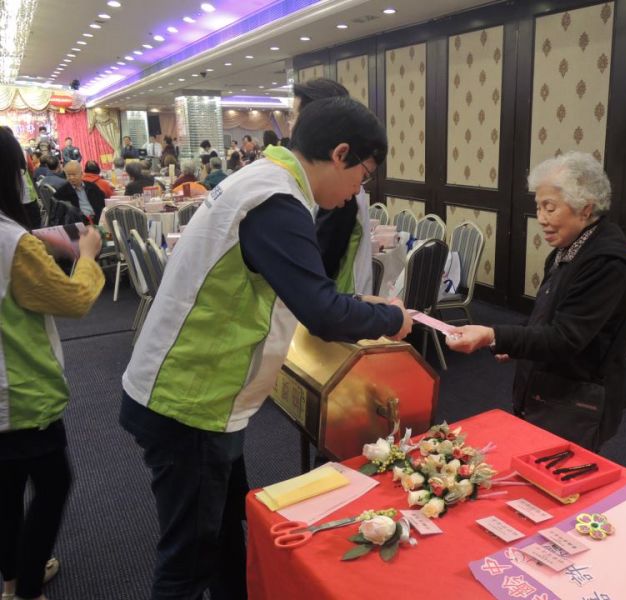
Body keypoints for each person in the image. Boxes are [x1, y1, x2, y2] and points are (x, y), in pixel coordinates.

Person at [118, 95, 412, 600]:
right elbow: (321, 313)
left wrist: (352, 302)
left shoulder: (263, 182)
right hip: (188, 401)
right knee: (189, 561)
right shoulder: (276, 200)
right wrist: (392, 318)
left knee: (222, 535)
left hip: (202, 397)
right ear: (340, 154)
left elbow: (300, 288)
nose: (356, 192)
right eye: (362, 176)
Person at [446, 152, 626, 451]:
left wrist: (493, 335)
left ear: (586, 209)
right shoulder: (570, 247)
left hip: (578, 399)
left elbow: (566, 337)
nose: (541, 219)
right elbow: (547, 316)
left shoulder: (607, 262)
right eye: (538, 207)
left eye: (549, 208)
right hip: (548, 389)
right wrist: (511, 341)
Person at [0, 127, 104, 600]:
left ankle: (11, 581)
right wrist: (87, 256)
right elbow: (73, 299)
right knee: (53, 485)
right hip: (21, 392)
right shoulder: (12, 243)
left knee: (5, 493)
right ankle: (26, 588)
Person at [294, 78, 373, 295]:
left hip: (338, 301)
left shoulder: (338, 190)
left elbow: (320, 264)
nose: (292, 127)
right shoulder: (324, 177)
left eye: (296, 117)